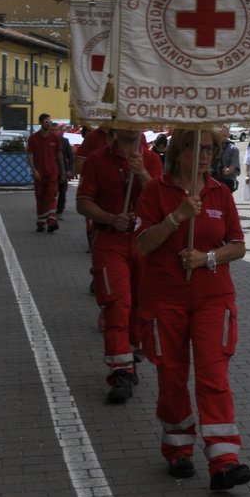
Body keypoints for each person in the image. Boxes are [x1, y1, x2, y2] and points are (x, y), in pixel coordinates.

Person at [133, 127, 250, 492]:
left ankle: (223, 460)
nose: (204, 155)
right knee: (172, 377)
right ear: (179, 151)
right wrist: (177, 217)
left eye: (210, 149)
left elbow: (238, 246)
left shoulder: (220, 193)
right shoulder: (155, 191)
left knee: (213, 376)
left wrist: (206, 258)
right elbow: (141, 245)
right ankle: (178, 448)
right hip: (165, 299)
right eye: (196, 147)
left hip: (213, 298)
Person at [76, 127, 162, 403]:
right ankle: (120, 371)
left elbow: (161, 199)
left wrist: (142, 174)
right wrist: (112, 218)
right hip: (110, 240)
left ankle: (130, 355)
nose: (131, 123)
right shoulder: (97, 159)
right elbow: (83, 202)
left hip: (143, 242)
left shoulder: (151, 160)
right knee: (117, 302)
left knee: (141, 305)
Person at [26, 112, 62, 233]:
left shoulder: (54, 138)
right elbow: (30, 155)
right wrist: (34, 170)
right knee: (40, 197)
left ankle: (51, 221)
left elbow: (59, 154)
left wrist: (62, 170)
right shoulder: (33, 138)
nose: (49, 123)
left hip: (52, 172)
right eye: (46, 121)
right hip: (39, 174)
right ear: (41, 123)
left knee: (51, 195)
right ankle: (41, 222)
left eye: (49, 121)